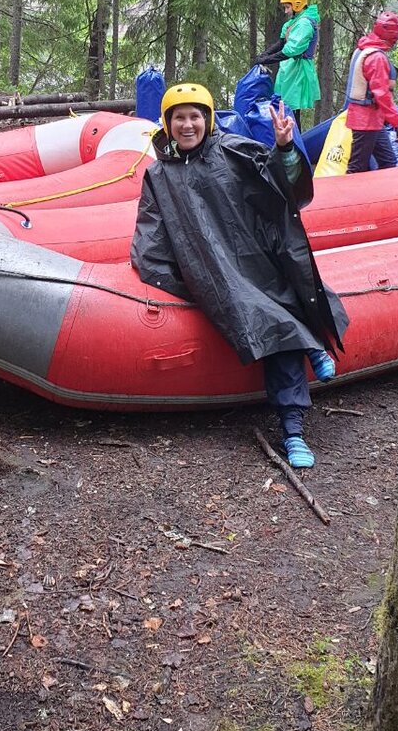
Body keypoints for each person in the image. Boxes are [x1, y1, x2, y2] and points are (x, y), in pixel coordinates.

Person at [130, 83, 348, 469]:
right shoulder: (158, 175)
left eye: (195, 116)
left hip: (256, 253)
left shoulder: (232, 150)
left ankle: (296, 424)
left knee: (284, 296)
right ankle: (308, 362)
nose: (187, 125)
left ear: (208, 120)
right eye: (179, 118)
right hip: (215, 269)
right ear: (167, 123)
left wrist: (285, 148)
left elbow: (283, 186)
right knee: (264, 318)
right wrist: (169, 277)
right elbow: (152, 230)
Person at [345, 12, 398, 174]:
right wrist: (395, 122)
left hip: (371, 119)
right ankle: (349, 190)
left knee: (388, 162)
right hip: (365, 121)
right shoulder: (376, 57)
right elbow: (382, 94)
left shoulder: (364, 49)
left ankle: (379, 190)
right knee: (356, 168)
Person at [256, 0, 321, 128]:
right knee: (284, 107)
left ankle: (294, 139)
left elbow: (291, 50)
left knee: (291, 110)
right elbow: (281, 43)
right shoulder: (293, 21)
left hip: (298, 70)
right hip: (289, 69)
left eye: (287, 7)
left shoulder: (304, 24)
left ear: (297, 5)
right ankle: (288, 138)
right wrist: (265, 54)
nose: (285, 11)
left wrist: (267, 59)